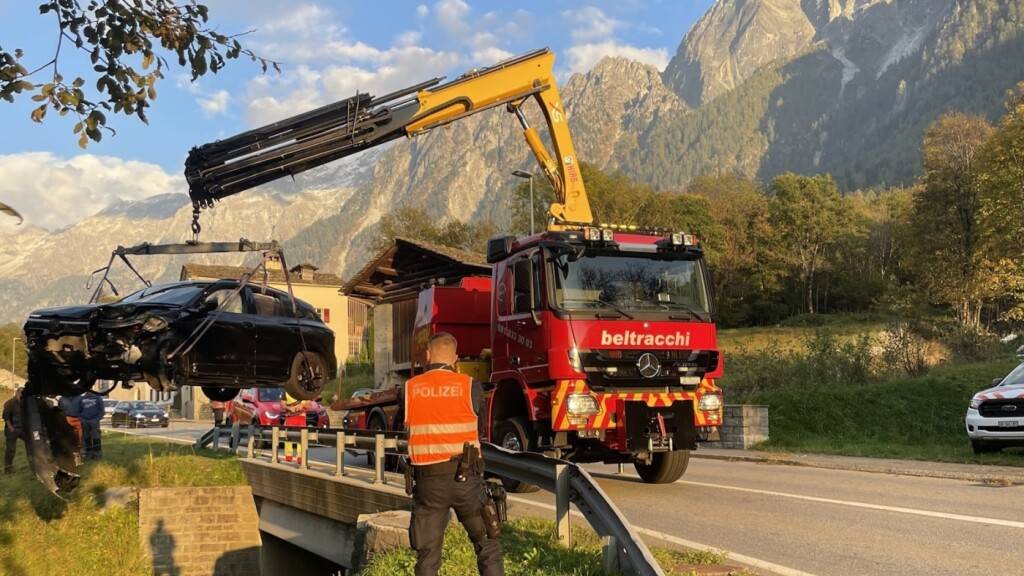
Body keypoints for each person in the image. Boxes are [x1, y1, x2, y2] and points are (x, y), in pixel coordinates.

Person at [402, 332, 503, 576]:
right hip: (466, 480)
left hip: (427, 484)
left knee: (428, 556)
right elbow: (479, 430)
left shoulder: (410, 389)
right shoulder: (469, 386)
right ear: (455, 359)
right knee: (487, 546)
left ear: (428, 355)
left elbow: (407, 430)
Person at [3, 387, 23, 474]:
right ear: (17, 393)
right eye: (21, 393)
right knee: (11, 449)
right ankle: (8, 468)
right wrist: (11, 428)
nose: (22, 395)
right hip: (11, 429)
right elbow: (6, 417)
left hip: (22, 429)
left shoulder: (23, 403)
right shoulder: (10, 403)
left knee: (33, 441)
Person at [79, 390, 104, 460]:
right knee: (86, 438)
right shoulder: (81, 399)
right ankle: (89, 454)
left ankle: (97, 454)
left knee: (96, 438)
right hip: (85, 422)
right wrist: (82, 420)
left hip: (95, 422)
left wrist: (96, 419)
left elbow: (102, 411)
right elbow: (78, 411)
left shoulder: (98, 398)